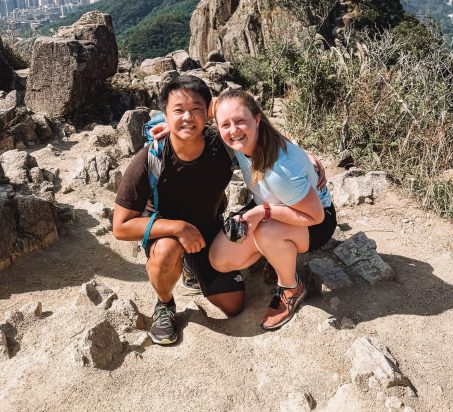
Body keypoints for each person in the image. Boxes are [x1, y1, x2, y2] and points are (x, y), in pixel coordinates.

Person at [112, 75, 245, 346]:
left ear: (208, 113)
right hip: (166, 234)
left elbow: (251, 119)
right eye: (178, 110)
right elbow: (121, 226)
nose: (188, 117)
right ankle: (164, 303)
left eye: (196, 109)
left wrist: (305, 159)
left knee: (234, 306)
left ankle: (191, 266)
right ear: (165, 114)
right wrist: (177, 227)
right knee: (166, 251)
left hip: (209, 228)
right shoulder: (151, 157)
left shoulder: (222, 144)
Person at [209, 89, 337, 331]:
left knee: (266, 232)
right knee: (220, 259)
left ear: (257, 119)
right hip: (273, 204)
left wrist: (262, 213)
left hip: (315, 221)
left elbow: (316, 216)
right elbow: (202, 107)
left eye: (240, 121)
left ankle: (290, 286)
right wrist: (168, 128)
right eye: (225, 124)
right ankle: (278, 255)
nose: (233, 130)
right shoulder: (246, 139)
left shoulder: (281, 172)